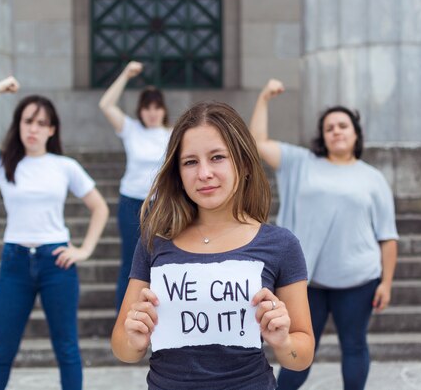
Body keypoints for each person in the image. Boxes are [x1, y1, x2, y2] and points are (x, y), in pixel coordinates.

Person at [110, 101, 315, 390]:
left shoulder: (281, 245)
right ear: (178, 174)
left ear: (243, 164)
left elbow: (301, 357)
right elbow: (123, 348)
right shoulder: (154, 242)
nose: (204, 173)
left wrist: (284, 341)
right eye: (190, 162)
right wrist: (133, 338)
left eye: (217, 157)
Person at [0, 77, 109, 390]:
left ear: (52, 130)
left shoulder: (65, 166)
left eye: (41, 123)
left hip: (57, 263)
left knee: (66, 348)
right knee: (2, 350)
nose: (33, 129)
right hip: (15, 263)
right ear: (19, 125)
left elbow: (100, 207)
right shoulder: (3, 163)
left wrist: (84, 250)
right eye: (28, 121)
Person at [249, 79, 399, 390]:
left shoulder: (373, 178)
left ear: (355, 132)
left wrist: (386, 282)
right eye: (329, 127)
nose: (336, 131)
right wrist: (263, 98)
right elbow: (257, 142)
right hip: (306, 281)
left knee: (355, 346)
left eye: (343, 125)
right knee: (299, 350)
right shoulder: (300, 163)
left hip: (358, 279)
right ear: (323, 136)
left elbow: (387, 235)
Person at [98, 61, 171, 312]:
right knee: (131, 262)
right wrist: (126, 74)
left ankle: (158, 318)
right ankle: (124, 319)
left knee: (160, 262)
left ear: (163, 110)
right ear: (141, 110)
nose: (152, 112)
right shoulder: (131, 130)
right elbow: (105, 104)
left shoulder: (172, 135)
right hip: (131, 202)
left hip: (161, 205)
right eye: (147, 107)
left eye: (157, 107)